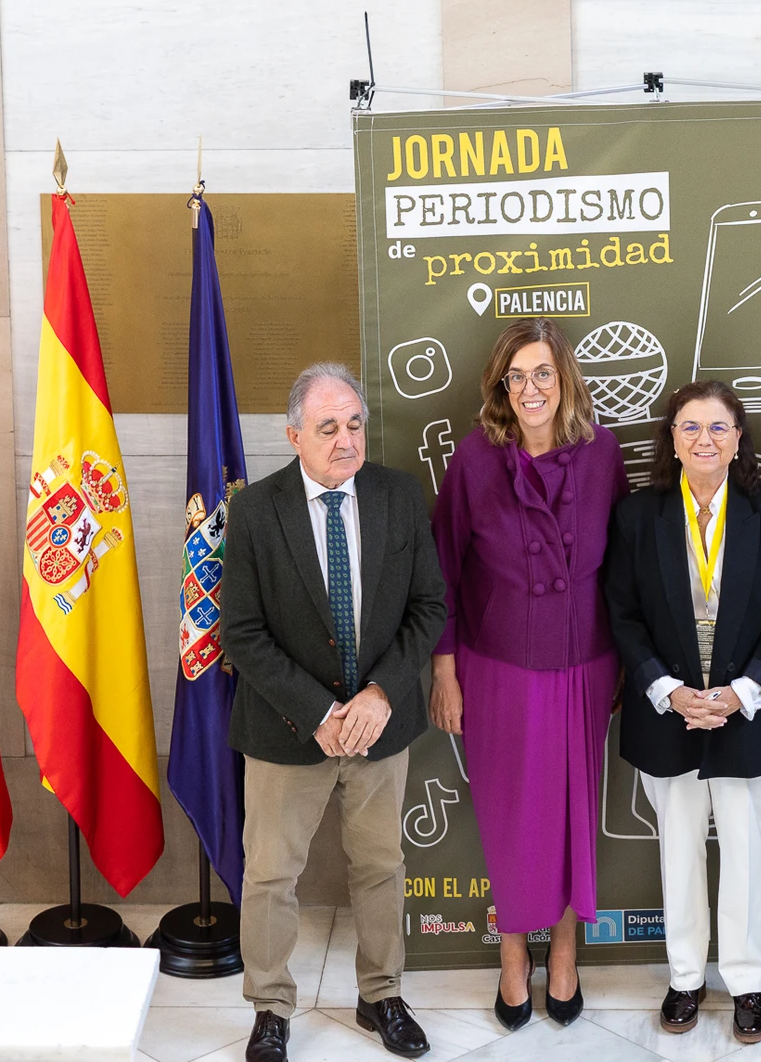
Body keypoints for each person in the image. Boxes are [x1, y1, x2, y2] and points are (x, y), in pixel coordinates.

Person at [222, 362, 445, 1062]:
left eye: (354, 423)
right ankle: (270, 1006)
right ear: (294, 435)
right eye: (328, 427)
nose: (346, 439)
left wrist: (380, 694)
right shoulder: (257, 510)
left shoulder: (400, 497)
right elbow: (242, 632)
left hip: (381, 726)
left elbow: (429, 606)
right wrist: (317, 710)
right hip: (289, 730)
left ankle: (381, 994)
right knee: (270, 875)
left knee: (380, 865)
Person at [427, 318, 627, 1032]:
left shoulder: (603, 453)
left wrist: (630, 662)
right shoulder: (474, 460)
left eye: (543, 373)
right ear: (501, 388)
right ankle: (513, 958)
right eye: (517, 377)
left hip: (585, 661)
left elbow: (624, 570)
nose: (531, 388)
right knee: (511, 818)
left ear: (564, 379)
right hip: (496, 665)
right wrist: (444, 670)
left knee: (576, 813)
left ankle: (566, 956)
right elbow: (442, 570)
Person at [603, 381, 761, 1045]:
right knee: (678, 852)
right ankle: (686, 976)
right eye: (690, 428)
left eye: (718, 428)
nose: (704, 440)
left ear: (739, 437)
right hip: (668, 712)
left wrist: (741, 693)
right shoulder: (639, 515)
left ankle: (749, 984)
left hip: (748, 712)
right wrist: (666, 687)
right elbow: (623, 614)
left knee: (748, 853)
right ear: (672, 438)